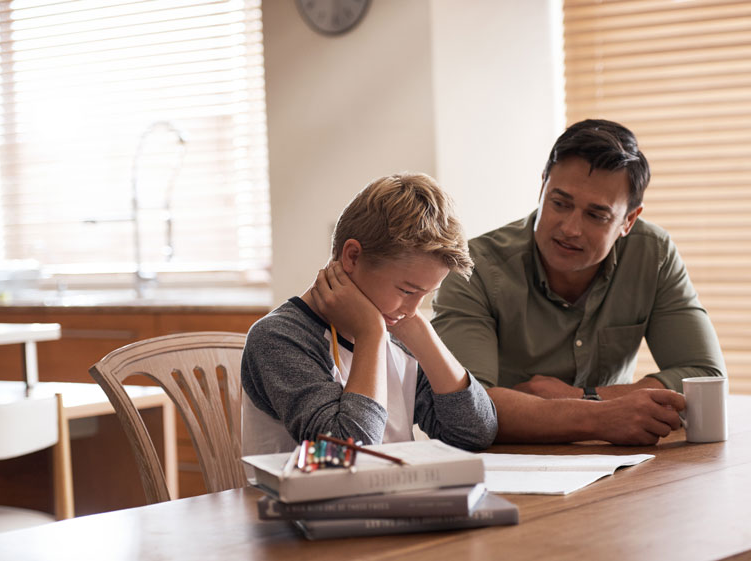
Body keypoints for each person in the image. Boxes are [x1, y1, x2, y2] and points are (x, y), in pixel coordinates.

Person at [432, 119, 726, 445]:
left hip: (621, 467)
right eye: (560, 203)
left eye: (596, 215)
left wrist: (585, 396)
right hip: (510, 465)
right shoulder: (475, 266)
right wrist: (602, 416)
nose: (571, 228)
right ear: (542, 186)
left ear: (628, 220)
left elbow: (706, 377)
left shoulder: (653, 253)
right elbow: (465, 407)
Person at [241, 172, 498, 456]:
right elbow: (345, 454)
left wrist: (423, 336)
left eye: (427, 294)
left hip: (394, 498)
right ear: (352, 257)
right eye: (408, 290)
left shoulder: (399, 330)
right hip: (301, 500)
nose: (412, 310)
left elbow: (474, 433)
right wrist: (370, 334)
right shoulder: (279, 339)